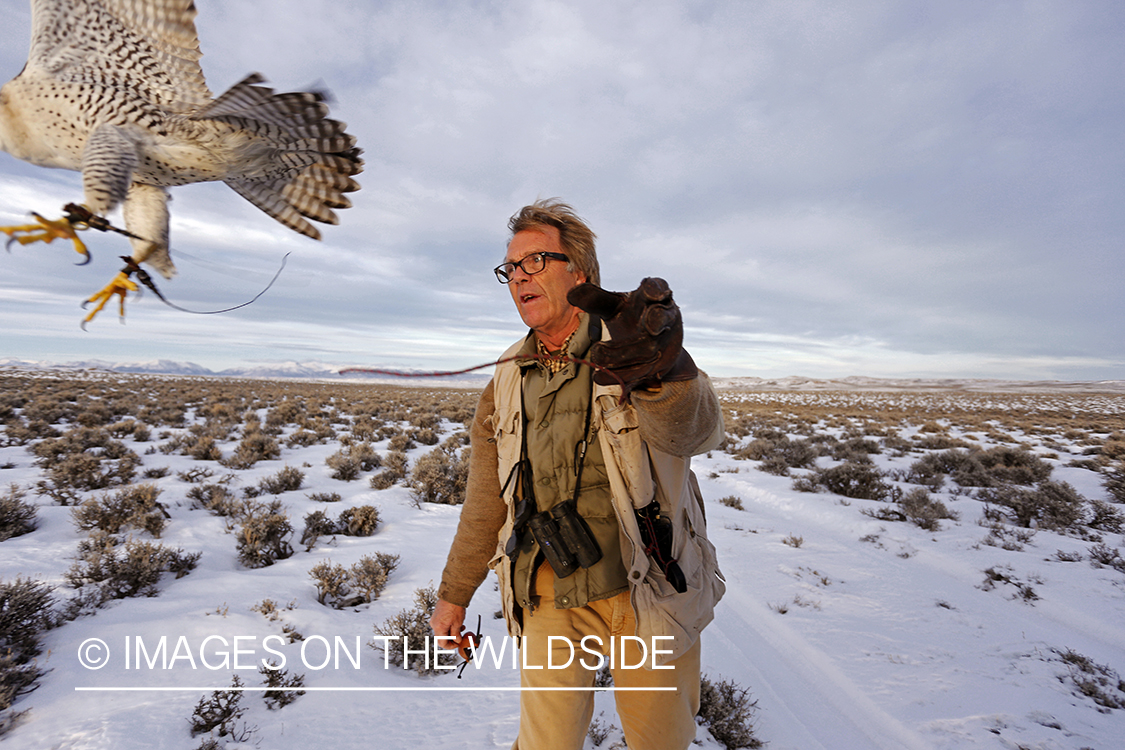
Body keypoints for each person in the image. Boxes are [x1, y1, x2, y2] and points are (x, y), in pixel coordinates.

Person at [430, 199, 725, 750]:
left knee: (661, 742)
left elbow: (695, 433)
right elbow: (485, 498)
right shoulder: (505, 378)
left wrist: (668, 371)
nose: (519, 277)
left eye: (535, 261)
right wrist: (454, 594)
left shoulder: (634, 347)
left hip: (649, 586)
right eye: (511, 268)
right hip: (549, 585)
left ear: (580, 273)